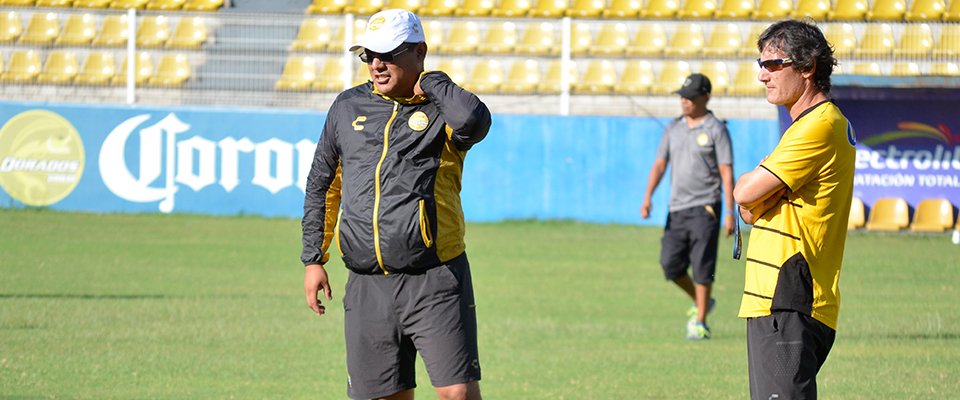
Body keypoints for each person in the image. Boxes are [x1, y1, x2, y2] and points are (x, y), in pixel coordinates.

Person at [300, 9, 490, 400]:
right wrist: (313, 258)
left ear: (419, 51)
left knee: (457, 394)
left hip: (435, 279)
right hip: (368, 285)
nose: (376, 65)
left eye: (387, 54)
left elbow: (474, 121)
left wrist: (433, 83)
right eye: (368, 55)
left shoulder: (443, 110)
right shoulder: (347, 107)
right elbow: (322, 183)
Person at [733, 19, 856, 399]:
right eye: (761, 65)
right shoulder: (808, 127)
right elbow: (751, 212)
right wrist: (757, 197)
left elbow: (744, 193)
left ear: (807, 67)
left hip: (789, 298)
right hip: (778, 302)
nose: (762, 76)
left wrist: (754, 190)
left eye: (772, 65)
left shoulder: (818, 126)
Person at [640, 73, 736, 340]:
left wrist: (730, 212)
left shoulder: (717, 129)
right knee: (669, 264)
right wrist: (648, 196)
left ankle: (700, 322)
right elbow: (660, 164)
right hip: (677, 208)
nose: (685, 102)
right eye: (682, 97)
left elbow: (727, 173)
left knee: (703, 266)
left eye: (690, 97)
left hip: (706, 207)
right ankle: (700, 300)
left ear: (706, 97)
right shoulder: (673, 128)